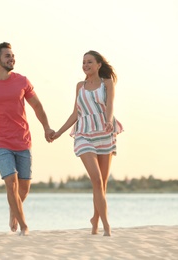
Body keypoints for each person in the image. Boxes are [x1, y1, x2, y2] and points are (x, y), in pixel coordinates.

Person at [0, 42, 54, 236]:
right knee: (11, 182)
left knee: (24, 188)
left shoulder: (22, 81)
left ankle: (13, 211)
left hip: (23, 140)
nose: (12, 59)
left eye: (12, 55)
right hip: (0, 142)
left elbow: (37, 106)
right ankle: (24, 226)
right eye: (7, 56)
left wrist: (46, 127)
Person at [51, 50, 123, 236]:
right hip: (84, 133)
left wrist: (108, 121)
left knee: (102, 184)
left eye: (89, 62)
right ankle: (106, 226)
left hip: (104, 132)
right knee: (96, 179)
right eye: (83, 62)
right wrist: (59, 132)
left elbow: (111, 104)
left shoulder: (107, 83)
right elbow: (76, 113)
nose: (86, 65)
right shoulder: (79, 86)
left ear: (99, 65)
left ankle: (95, 220)